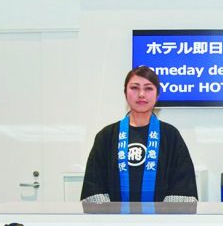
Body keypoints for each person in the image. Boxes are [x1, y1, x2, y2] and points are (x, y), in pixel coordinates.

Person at [81, 66, 198, 203]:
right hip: (114, 216)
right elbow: (94, 186)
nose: (141, 94)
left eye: (148, 88)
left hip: (161, 216)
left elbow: (182, 186)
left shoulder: (171, 136)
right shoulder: (106, 136)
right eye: (134, 88)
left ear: (157, 94)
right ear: (125, 93)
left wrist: (162, 215)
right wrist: (112, 215)